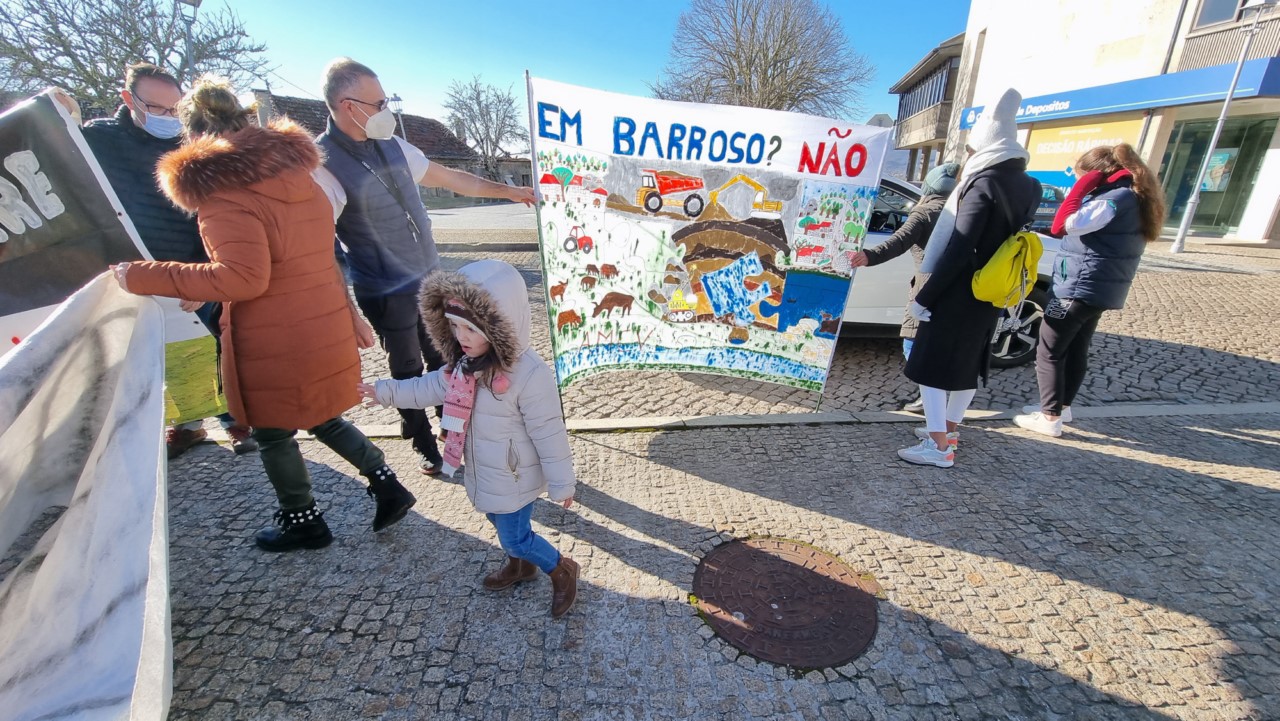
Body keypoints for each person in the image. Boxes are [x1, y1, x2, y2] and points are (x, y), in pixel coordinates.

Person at [111, 76, 415, 552]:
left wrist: (143, 276)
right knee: (322, 414)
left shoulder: (222, 191)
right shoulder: (298, 175)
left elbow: (241, 278)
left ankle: (303, 520)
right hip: (320, 318)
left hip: (275, 334)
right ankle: (385, 480)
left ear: (193, 136)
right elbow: (312, 255)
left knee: (274, 431)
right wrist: (349, 314)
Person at [312, 58, 536, 476]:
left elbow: (450, 178)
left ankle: (455, 434)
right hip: (384, 290)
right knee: (406, 369)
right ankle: (421, 442)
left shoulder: (394, 145)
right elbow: (323, 250)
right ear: (347, 105)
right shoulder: (321, 165)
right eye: (378, 103)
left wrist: (510, 191)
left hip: (431, 280)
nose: (386, 110)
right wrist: (349, 314)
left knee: (450, 365)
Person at [358, 259, 580, 618]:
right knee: (496, 519)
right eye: (455, 326)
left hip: (515, 474)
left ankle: (561, 568)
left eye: (471, 329)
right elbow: (426, 388)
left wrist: (562, 482)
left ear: (499, 327)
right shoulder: (464, 366)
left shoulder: (529, 375)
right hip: (484, 470)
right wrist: (382, 391)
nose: (461, 337)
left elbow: (548, 429)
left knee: (515, 535)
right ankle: (522, 567)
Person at [80, 62, 256, 458]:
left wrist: (201, 275)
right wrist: (58, 108)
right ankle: (187, 424)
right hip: (133, 267)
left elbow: (210, 212)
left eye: (173, 110)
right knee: (163, 352)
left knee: (214, 343)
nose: (167, 119)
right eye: (156, 108)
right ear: (128, 100)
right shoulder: (99, 138)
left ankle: (237, 421)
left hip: (192, 262)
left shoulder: (189, 141)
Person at [897, 88, 1041, 468]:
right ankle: (949, 428)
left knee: (931, 365)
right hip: (993, 288)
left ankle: (938, 445)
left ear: (982, 147)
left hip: (960, 289)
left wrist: (924, 298)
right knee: (967, 364)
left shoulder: (983, 184)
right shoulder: (1031, 185)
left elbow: (960, 247)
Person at [1014, 144, 1165, 437]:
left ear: (1096, 175)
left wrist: (1081, 189)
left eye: (1081, 175)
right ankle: (1061, 407)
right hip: (1098, 288)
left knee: (1049, 350)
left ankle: (1049, 418)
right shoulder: (1134, 197)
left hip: (1079, 286)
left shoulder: (1112, 200)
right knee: (1076, 348)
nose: (1076, 181)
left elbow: (1063, 225)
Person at [849, 162, 961, 413]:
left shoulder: (925, 212)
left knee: (913, 344)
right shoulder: (962, 210)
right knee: (942, 346)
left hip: (928, 289)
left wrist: (869, 255)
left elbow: (899, 240)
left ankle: (932, 400)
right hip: (957, 290)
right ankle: (944, 397)